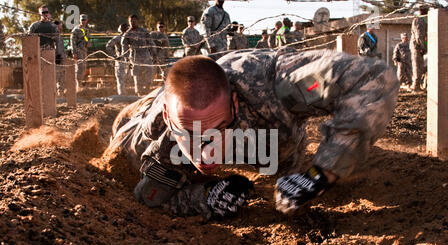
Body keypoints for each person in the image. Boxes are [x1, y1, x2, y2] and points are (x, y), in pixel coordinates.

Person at [106, 48, 399, 220]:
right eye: (190, 135)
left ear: (233, 104)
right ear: (171, 120)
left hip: (268, 129)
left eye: (216, 131)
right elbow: (152, 197)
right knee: (122, 130)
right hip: (153, 112)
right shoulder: (155, 136)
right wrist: (206, 197)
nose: (205, 152)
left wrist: (322, 172)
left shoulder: (275, 86)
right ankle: (148, 103)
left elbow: (374, 76)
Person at [121, 14, 156, 96]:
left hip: (146, 55)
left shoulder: (144, 31)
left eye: (134, 21)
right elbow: (124, 48)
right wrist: (127, 60)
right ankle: (139, 92)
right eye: (131, 21)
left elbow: (151, 43)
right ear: (129, 22)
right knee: (137, 75)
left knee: (150, 72)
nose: (133, 22)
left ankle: (147, 89)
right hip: (135, 56)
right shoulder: (127, 34)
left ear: (137, 21)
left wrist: (154, 54)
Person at [106, 23, 130, 95]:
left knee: (126, 79)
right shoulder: (117, 38)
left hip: (128, 60)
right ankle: (122, 94)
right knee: (121, 79)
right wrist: (115, 56)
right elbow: (108, 46)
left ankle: (126, 93)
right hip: (121, 60)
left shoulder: (130, 38)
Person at [410, 4, 428, 92]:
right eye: (426, 9)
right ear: (422, 10)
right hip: (417, 46)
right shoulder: (419, 20)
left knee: (420, 66)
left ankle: (417, 85)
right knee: (417, 66)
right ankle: (415, 87)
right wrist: (422, 47)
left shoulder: (423, 19)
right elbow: (419, 36)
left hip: (419, 46)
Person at [70, 14, 91, 90]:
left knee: (83, 67)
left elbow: (88, 39)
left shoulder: (86, 30)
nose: (83, 21)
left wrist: (88, 43)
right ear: (79, 20)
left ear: (87, 20)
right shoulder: (76, 30)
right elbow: (72, 41)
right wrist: (74, 52)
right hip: (78, 50)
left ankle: (81, 84)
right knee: (79, 68)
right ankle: (78, 85)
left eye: (84, 20)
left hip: (84, 51)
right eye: (82, 20)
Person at [54, 21, 66, 97]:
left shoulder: (58, 35)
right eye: (60, 25)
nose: (61, 27)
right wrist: (58, 56)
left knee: (61, 76)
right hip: (57, 59)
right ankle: (58, 93)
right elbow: (56, 46)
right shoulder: (55, 35)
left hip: (60, 58)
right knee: (58, 76)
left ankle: (60, 93)